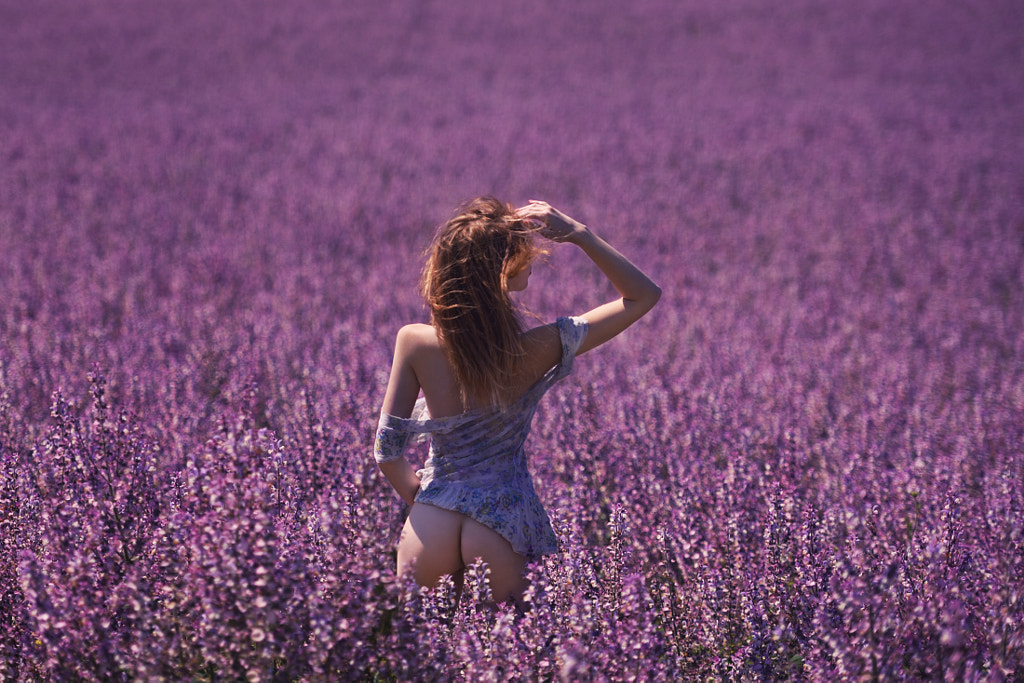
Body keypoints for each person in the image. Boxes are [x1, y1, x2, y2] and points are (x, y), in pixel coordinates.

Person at [373, 197, 660, 607]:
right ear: (503, 269)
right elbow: (642, 296)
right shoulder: (541, 346)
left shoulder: (414, 341)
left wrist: (434, 502)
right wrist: (580, 234)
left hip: (429, 523)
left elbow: (386, 453)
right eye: (524, 257)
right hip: (503, 523)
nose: (532, 262)